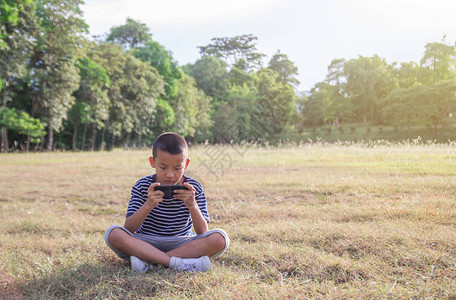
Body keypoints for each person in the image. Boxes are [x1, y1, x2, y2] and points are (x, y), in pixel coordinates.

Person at [104, 132, 230, 273]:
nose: (170, 175)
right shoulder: (142, 185)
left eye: (177, 168)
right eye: (163, 167)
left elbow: (202, 232)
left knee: (220, 238)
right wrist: (148, 205)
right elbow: (129, 228)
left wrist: (192, 205)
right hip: (146, 242)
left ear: (186, 164)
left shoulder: (194, 187)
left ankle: (150, 262)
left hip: (182, 243)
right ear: (153, 162)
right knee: (113, 233)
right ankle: (177, 263)